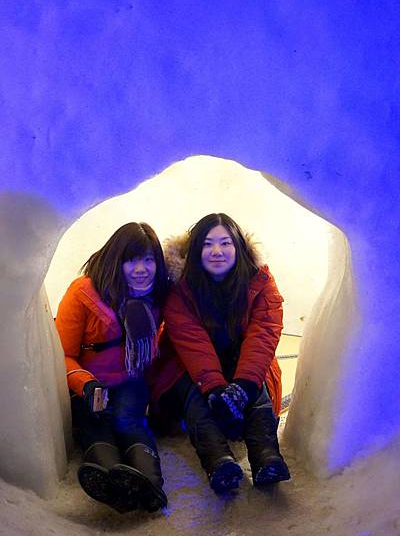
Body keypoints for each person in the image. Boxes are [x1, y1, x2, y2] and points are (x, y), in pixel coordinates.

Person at [150, 213, 290, 494]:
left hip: (240, 359)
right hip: (190, 366)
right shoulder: (181, 287)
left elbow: (263, 333)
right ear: (195, 251)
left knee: (257, 383)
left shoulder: (259, 280)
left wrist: (244, 385)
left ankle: (266, 457)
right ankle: (218, 461)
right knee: (194, 394)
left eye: (225, 243)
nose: (217, 252)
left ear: (238, 247)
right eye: (208, 244)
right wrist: (215, 388)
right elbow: (191, 342)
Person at [55, 222, 169, 513]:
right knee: (97, 424)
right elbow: (62, 355)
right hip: (90, 383)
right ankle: (111, 482)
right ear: (115, 259)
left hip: (130, 381)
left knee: (128, 421)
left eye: (148, 259)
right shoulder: (83, 292)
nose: (141, 269)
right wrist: (85, 384)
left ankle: (151, 485)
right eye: (131, 260)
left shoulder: (156, 295)